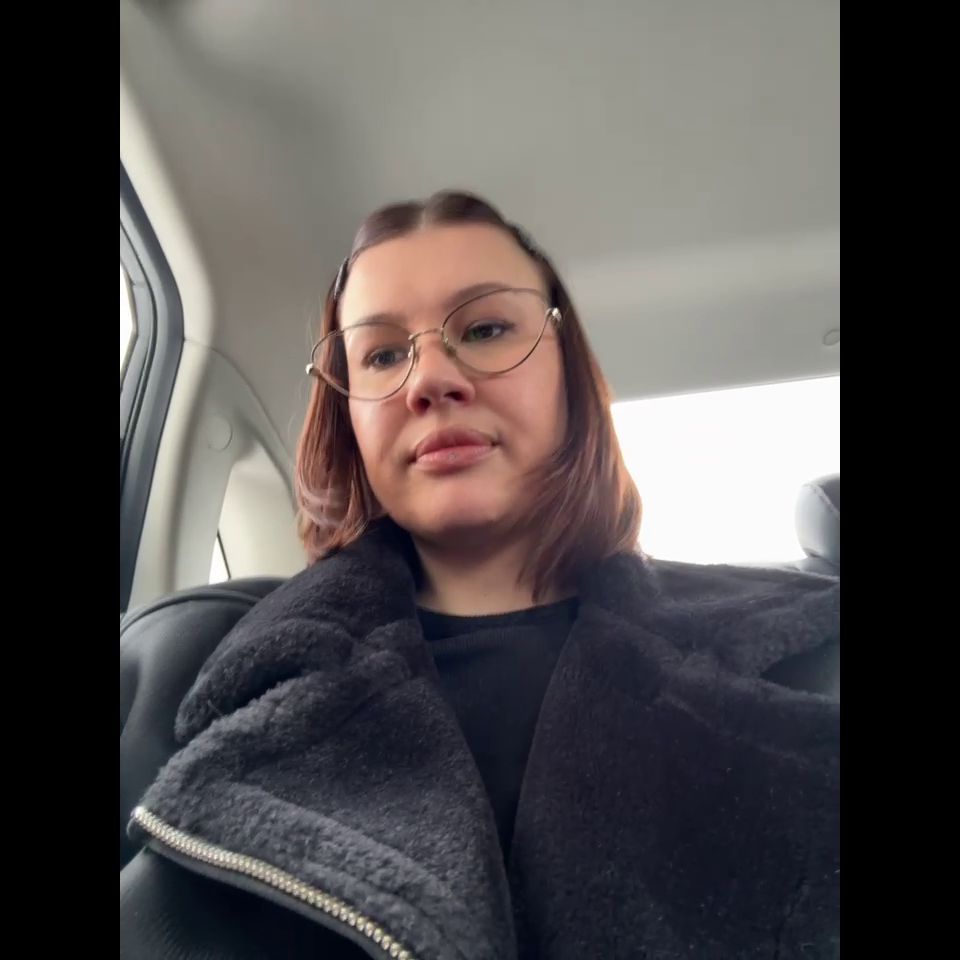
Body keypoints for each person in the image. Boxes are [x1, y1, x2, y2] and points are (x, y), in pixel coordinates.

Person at [120, 191, 840, 959]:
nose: (430, 380)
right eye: (383, 354)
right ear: (350, 418)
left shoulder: (814, 654)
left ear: (569, 373)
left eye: (486, 329)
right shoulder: (179, 668)